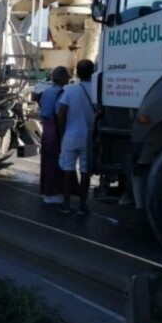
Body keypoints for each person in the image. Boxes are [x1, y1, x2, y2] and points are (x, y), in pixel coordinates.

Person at [56, 59, 96, 215]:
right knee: (85, 171)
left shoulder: (70, 90)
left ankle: (66, 204)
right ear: (93, 72)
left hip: (70, 136)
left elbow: (61, 113)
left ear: (77, 73)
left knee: (67, 169)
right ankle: (82, 205)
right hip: (89, 138)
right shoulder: (97, 90)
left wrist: (62, 132)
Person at [38, 66, 70, 205]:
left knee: (46, 160)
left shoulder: (47, 91)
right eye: (67, 76)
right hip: (55, 127)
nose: (69, 78)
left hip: (46, 127)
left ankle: (46, 191)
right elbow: (60, 113)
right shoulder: (61, 93)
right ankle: (54, 193)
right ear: (62, 78)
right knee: (55, 161)